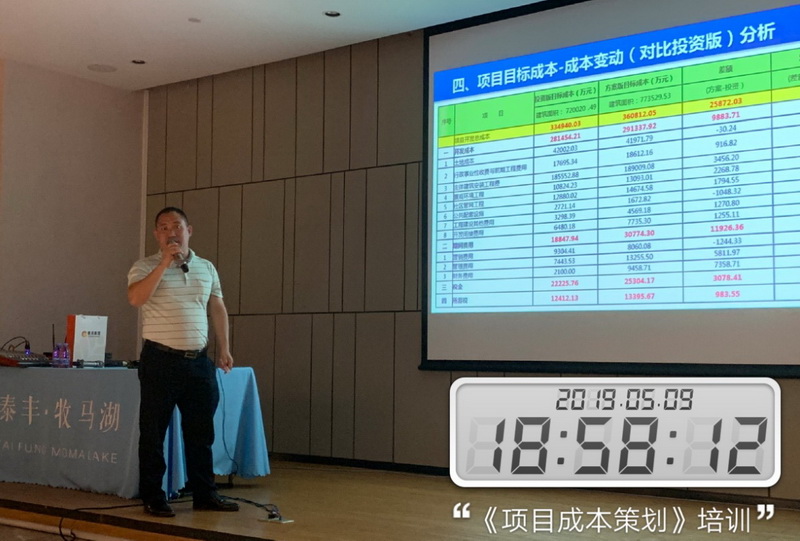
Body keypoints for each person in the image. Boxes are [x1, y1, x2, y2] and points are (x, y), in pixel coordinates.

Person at [127, 206, 239, 517]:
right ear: (156, 235)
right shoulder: (144, 266)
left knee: (201, 434)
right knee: (154, 433)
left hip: (198, 363)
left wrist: (224, 348)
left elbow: (217, 307)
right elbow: (135, 298)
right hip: (160, 360)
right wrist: (164, 263)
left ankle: (205, 494)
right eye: (163, 227)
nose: (170, 232)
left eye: (176, 226)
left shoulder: (206, 267)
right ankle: (153, 496)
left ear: (189, 231)